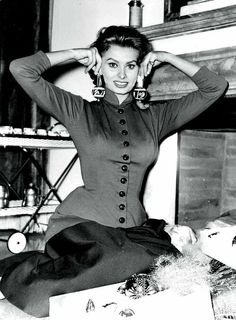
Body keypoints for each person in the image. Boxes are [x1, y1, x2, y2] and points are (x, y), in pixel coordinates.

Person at [0, 25, 228, 318]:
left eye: (130, 65)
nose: (121, 75)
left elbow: (215, 86)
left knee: (170, 267)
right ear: (99, 68)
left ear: (140, 69)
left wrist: (167, 57)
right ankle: (19, 269)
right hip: (81, 223)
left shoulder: (156, 118)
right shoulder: (79, 111)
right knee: (121, 263)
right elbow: (22, 69)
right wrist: (76, 53)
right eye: (112, 64)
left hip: (131, 229)